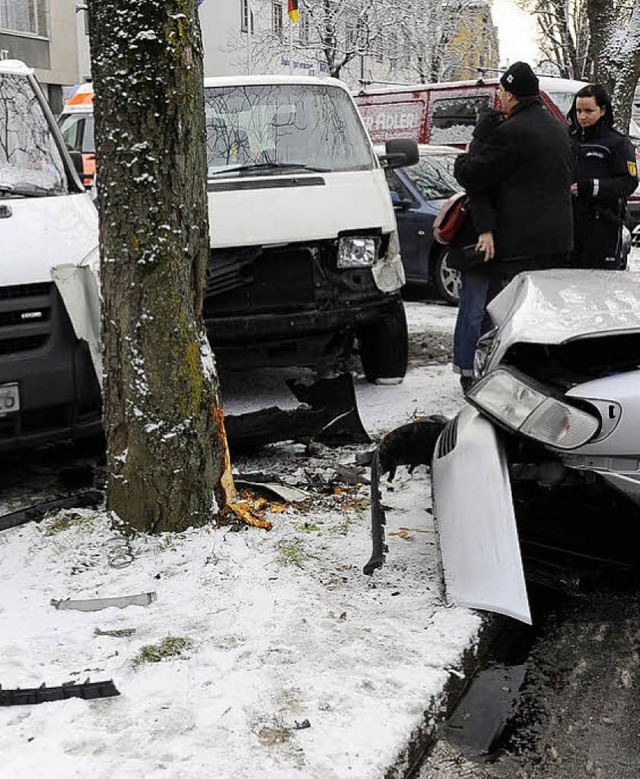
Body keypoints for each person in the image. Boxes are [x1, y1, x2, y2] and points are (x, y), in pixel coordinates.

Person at [453, 62, 574, 304]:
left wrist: (466, 155)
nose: (499, 97)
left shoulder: (511, 132)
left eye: (500, 92)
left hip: (520, 245)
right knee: (544, 308)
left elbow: (473, 175)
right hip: (557, 240)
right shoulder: (558, 128)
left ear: (510, 94)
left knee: (513, 311)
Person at [449, 108, 503, 391]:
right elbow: (480, 197)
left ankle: (470, 367)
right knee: (478, 310)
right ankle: (470, 368)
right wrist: (486, 230)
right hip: (481, 245)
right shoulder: (484, 161)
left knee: (477, 309)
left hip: (479, 245)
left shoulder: (475, 157)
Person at [567, 84, 638, 269]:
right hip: (569, 227)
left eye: (589, 111)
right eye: (578, 111)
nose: (582, 117)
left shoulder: (617, 143)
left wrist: (592, 187)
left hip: (603, 227)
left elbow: (628, 182)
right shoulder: (569, 139)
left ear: (603, 110)